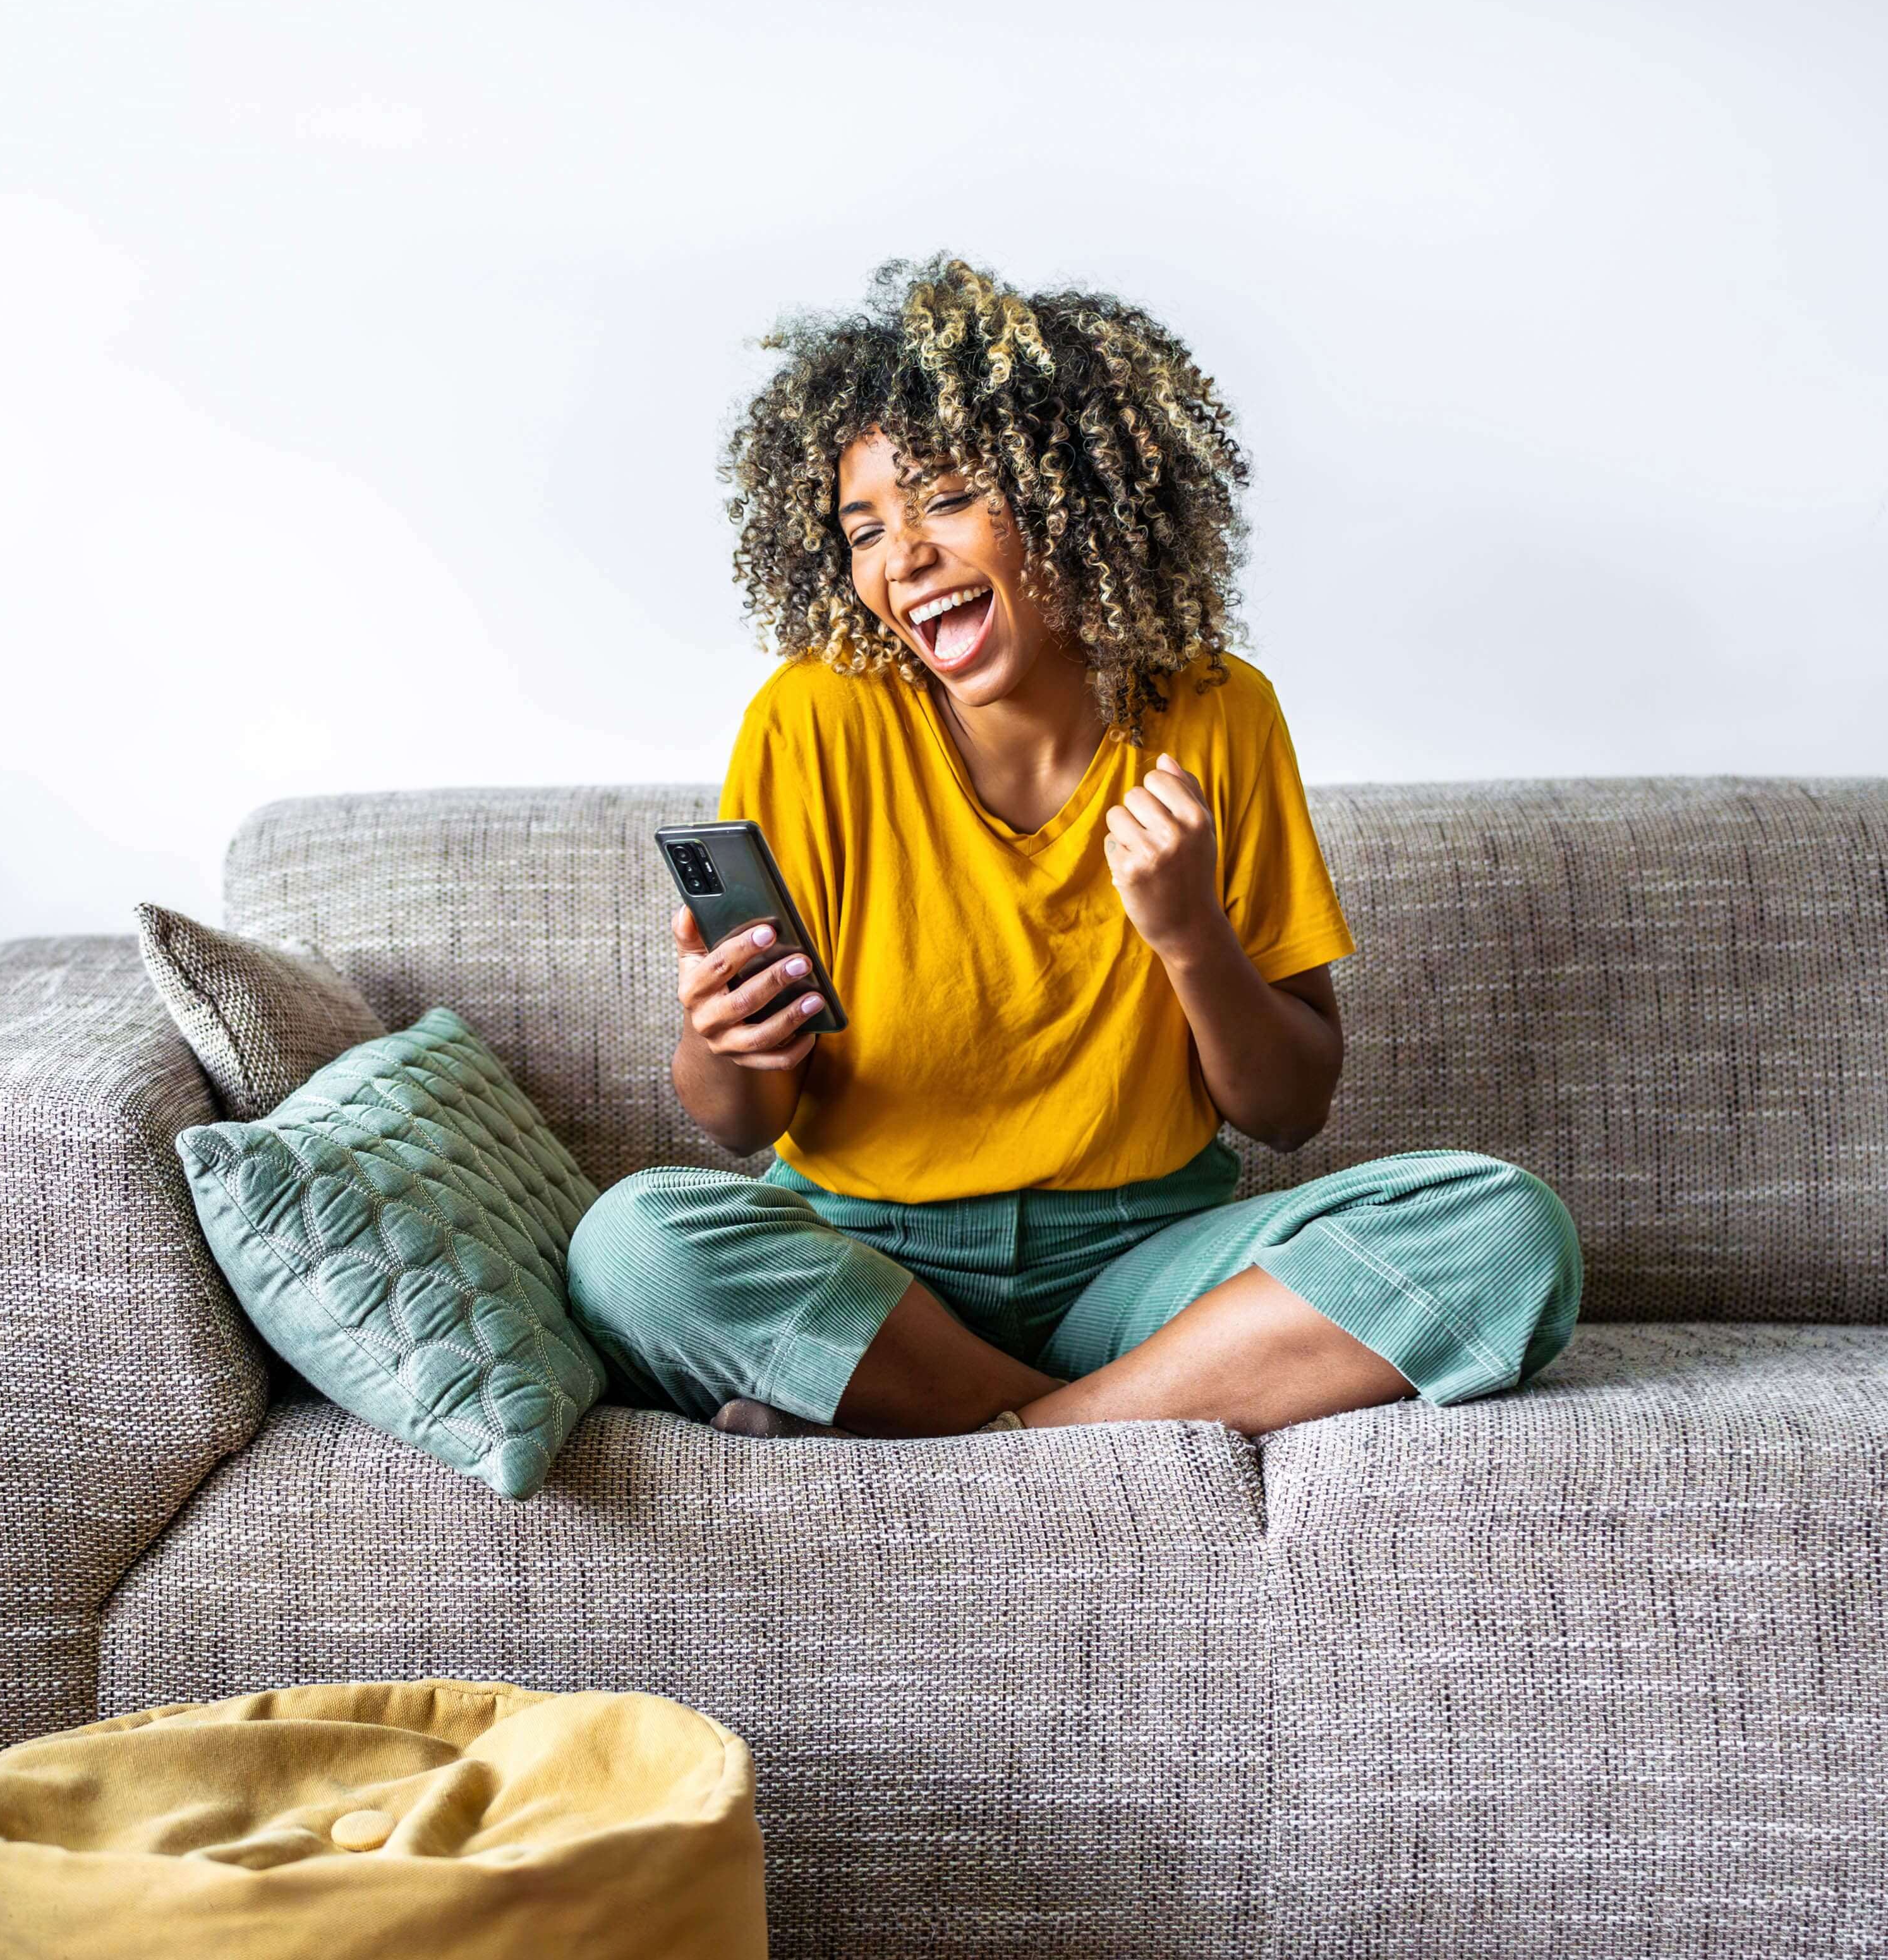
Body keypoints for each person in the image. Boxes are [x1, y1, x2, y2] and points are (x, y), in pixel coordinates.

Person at [568, 257, 1580, 1439]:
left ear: (1073, 496)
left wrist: (1191, 935)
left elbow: (1289, 1111)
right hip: (871, 1269)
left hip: (1144, 1267)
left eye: (944, 500)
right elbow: (738, 1123)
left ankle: (977, 1435)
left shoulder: (1215, 711)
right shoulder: (813, 719)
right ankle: (1105, 1425)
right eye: (865, 529)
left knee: (1505, 1227)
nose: (901, 558)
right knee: (631, 1249)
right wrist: (716, 1034)